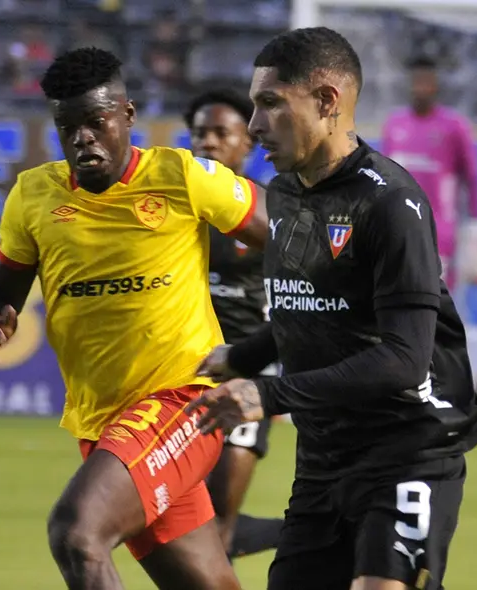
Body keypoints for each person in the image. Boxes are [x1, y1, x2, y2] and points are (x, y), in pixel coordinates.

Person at [187, 27, 477, 590]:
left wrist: (268, 392)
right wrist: (239, 356)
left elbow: (403, 359)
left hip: (409, 448)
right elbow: (311, 309)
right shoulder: (288, 193)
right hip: (324, 456)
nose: (254, 126)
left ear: (327, 102)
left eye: (270, 103)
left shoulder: (390, 202)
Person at [0, 47, 268, 590]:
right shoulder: (34, 196)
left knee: (77, 532)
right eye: (68, 126)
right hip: (104, 422)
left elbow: (288, 231)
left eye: (95, 122)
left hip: (182, 401)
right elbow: (1, 291)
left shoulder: (182, 176)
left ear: (127, 116)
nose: (82, 137)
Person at [184, 88, 286, 560]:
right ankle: (312, 532)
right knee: (186, 522)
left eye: (220, 133)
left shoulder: (271, 209)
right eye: (199, 133)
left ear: (247, 142)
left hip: (247, 371)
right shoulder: (174, 211)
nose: (207, 142)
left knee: (220, 516)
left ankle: (312, 533)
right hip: (185, 369)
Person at [380, 56, 477, 290]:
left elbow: (472, 178)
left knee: (434, 302)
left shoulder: (454, 126)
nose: (420, 87)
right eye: (416, 81)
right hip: (398, 228)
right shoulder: (394, 125)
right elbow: (384, 178)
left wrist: (476, 228)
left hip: (439, 232)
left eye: (426, 81)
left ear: (436, 84)